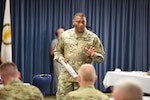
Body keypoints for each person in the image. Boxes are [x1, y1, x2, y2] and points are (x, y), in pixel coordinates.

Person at [54, 12, 105, 100]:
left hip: (83, 79)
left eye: (83, 22)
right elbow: (57, 52)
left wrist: (94, 55)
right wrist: (60, 58)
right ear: (73, 22)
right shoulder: (65, 35)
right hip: (66, 76)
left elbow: (101, 58)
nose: (81, 24)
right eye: (78, 22)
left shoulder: (93, 38)